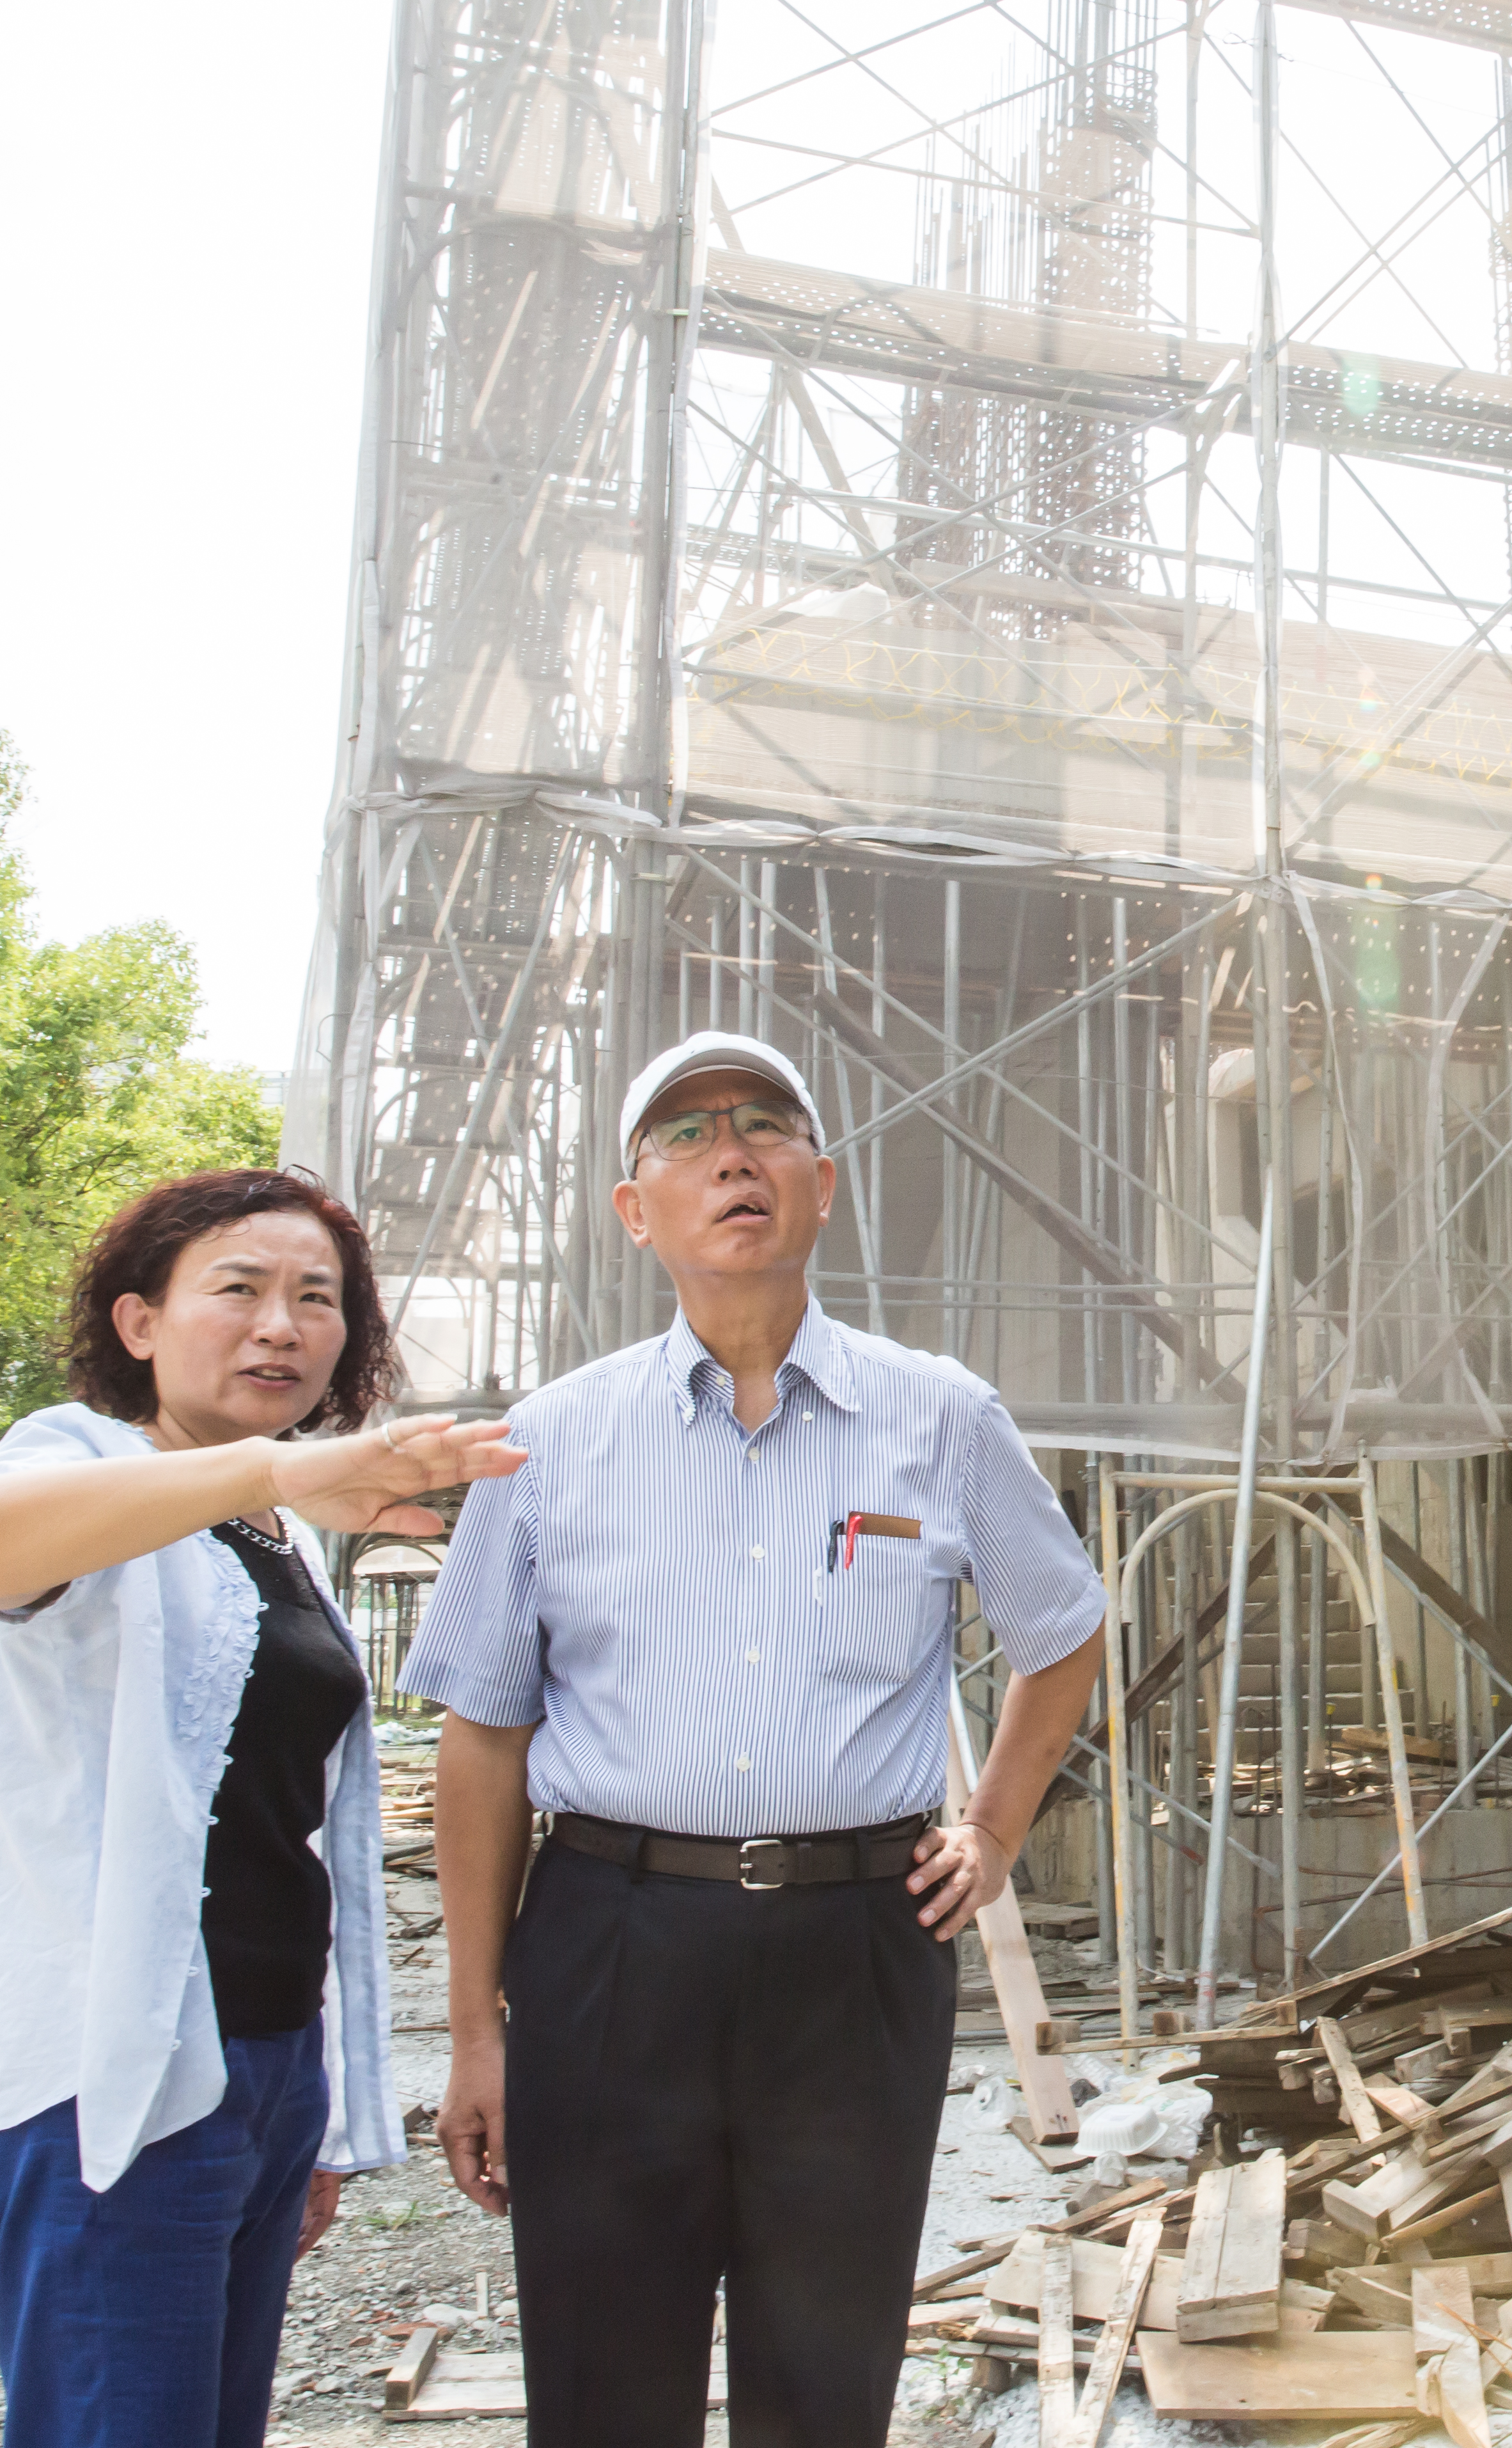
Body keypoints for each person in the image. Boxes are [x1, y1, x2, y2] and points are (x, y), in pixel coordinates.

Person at [401, 1028, 1108, 2448]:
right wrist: (474, 2029)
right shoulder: (552, 1442)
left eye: (766, 1124)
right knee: (603, 2384)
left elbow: (1064, 1634)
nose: (731, 1151)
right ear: (634, 1210)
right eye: (684, 1135)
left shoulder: (941, 1419)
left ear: (823, 1185)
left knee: (826, 2379)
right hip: (608, 1944)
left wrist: (996, 1829)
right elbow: (481, 1743)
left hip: (854, 1949)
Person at [0, 1168, 527, 2448]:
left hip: (253, 2071)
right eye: (237, 1291)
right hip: (104, 2081)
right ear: (140, 1323)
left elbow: (283, 1834)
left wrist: (308, 2108)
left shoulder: (277, 1537)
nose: (282, 1327)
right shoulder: (77, 1461)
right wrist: (282, 1470)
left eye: (318, 1300)